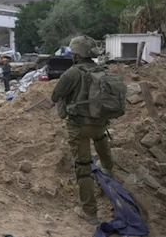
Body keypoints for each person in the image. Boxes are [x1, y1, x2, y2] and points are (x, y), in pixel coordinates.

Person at [50, 35, 114, 226]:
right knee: (100, 137)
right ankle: (108, 168)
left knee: (83, 166)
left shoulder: (72, 73)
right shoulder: (103, 69)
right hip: (100, 123)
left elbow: (55, 95)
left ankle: (90, 213)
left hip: (79, 126)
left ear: (76, 55)